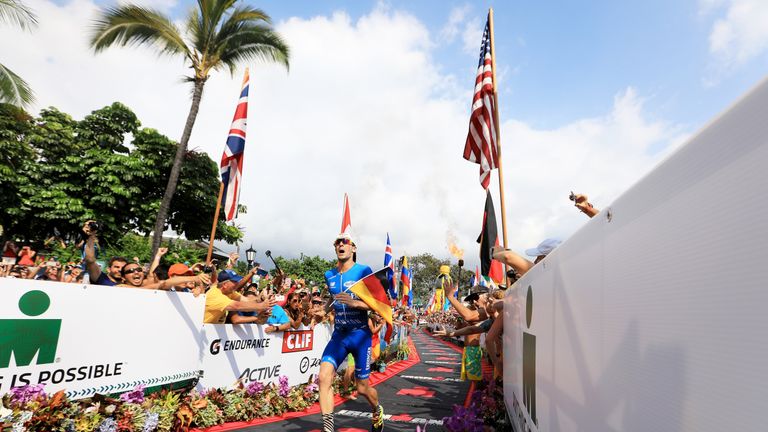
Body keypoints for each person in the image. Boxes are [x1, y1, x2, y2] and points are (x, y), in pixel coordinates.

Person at [318, 232, 384, 432]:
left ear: (353, 248)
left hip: (360, 335)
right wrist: (323, 310)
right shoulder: (329, 275)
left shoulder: (363, 270)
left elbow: (378, 303)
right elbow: (332, 298)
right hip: (339, 335)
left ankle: (377, 409)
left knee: (362, 388)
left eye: (345, 242)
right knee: (323, 377)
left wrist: (355, 302)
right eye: (337, 242)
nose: (340, 244)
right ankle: (328, 428)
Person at [204, 270, 275, 324]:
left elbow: (247, 300)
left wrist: (261, 298)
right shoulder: (215, 295)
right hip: (200, 333)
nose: (237, 283)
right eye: (234, 281)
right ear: (225, 284)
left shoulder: (229, 292)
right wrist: (262, 306)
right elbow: (237, 306)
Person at [82, 221, 126, 286]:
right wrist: (92, 235)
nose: (120, 270)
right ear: (108, 269)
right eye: (116, 267)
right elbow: (90, 260)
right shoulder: (101, 279)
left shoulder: (130, 284)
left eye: (123, 268)